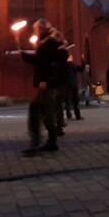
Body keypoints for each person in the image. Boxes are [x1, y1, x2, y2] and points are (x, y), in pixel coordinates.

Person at [17, 19, 65, 156]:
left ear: (41, 29)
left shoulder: (48, 43)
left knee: (35, 109)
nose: (35, 31)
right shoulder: (47, 43)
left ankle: (37, 141)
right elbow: (40, 59)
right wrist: (25, 55)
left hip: (46, 82)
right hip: (46, 82)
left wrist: (44, 79)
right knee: (46, 111)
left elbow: (45, 62)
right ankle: (51, 140)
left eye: (36, 29)